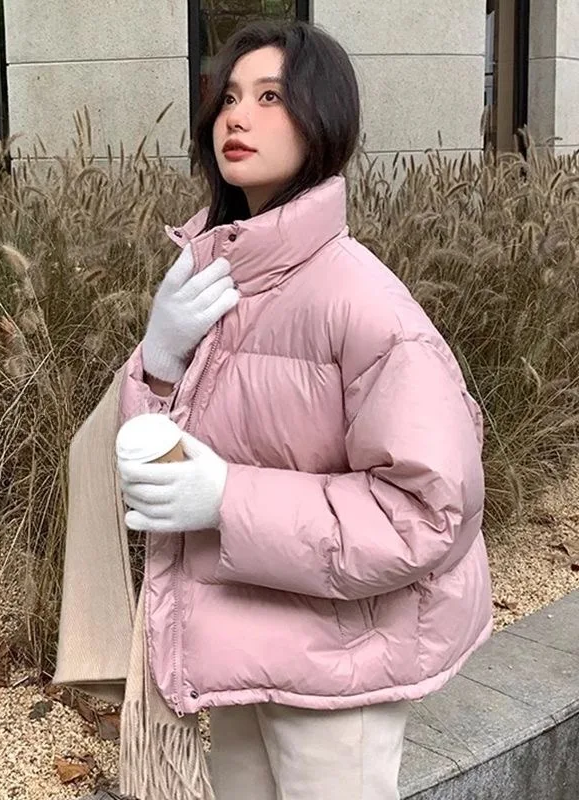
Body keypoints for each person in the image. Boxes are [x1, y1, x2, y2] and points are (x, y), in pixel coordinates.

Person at [116, 19, 492, 800]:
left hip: (337, 665)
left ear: (321, 118)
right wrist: (157, 362)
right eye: (228, 97)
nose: (236, 117)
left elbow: (426, 511)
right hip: (240, 644)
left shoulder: (363, 303)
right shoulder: (217, 280)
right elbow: (152, 466)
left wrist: (227, 498)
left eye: (270, 97)